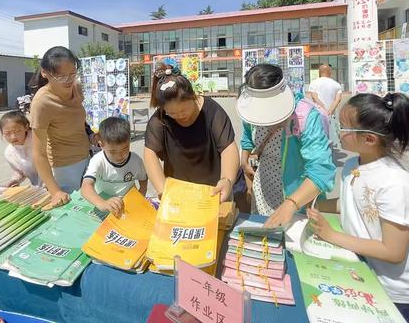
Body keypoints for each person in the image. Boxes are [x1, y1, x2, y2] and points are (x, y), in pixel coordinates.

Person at [308, 93, 409, 319]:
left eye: (343, 127)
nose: (338, 132)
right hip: (360, 274)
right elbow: (349, 203)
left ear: (369, 139)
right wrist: (313, 205)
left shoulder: (394, 182)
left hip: (392, 293)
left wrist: (331, 235)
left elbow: (393, 251)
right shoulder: (354, 164)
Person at [237, 64, 336, 227]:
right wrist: (244, 161)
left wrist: (291, 204)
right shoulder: (251, 112)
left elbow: (321, 171)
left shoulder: (306, 117)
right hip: (264, 190)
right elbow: (247, 135)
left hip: (299, 200)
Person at [144, 63, 240, 205]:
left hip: (213, 192)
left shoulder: (212, 112)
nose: (179, 116)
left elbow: (228, 148)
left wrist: (226, 180)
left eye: (183, 110)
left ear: (193, 96)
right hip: (179, 195)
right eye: (172, 113)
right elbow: (150, 153)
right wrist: (162, 189)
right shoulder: (160, 119)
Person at [30, 46, 90, 207]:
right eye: (61, 77)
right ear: (45, 73)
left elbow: (77, 119)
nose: (69, 80)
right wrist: (55, 191)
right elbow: (38, 153)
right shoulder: (42, 103)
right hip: (64, 169)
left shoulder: (76, 88)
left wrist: (91, 134)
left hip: (87, 159)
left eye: (72, 73)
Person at [81, 117, 147, 217]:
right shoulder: (98, 160)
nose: (120, 155)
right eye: (113, 152)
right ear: (101, 145)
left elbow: (143, 178)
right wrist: (102, 203)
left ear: (129, 141)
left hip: (128, 206)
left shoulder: (136, 160)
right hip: (104, 204)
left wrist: (141, 193)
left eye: (125, 149)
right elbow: (85, 187)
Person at [0, 111, 40, 187]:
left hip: (57, 184)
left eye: (17, 131)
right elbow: (19, 172)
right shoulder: (9, 153)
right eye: (7, 133)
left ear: (26, 127)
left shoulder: (38, 140)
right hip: (37, 189)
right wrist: (14, 180)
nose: (13, 137)